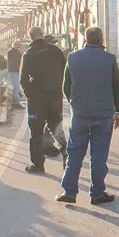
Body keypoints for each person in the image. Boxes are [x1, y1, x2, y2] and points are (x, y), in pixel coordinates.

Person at [56, 27, 119, 205]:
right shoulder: (110, 59)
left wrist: (74, 103)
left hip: (80, 113)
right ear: (102, 40)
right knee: (99, 155)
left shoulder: (73, 57)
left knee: (75, 153)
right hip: (103, 114)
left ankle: (69, 192)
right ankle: (97, 193)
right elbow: (116, 86)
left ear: (85, 39)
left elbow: (65, 87)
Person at [20, 26, 68, 173]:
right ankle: (66, 153)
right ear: (43, 35)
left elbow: (23, 80)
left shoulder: (29, 54)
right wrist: (59, 89)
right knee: (56, 126)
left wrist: (30, 94)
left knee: (35, 131)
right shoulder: (56, 51)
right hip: (55, 96)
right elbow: (65, 72)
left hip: (37, 99)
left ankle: (38, 164)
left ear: (31, 37)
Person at [7, 42, 24, 108]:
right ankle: (16, 102)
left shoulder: (11, 52)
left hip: (13, 71)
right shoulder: (14, 52)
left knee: (15, 87)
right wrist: (20, 50)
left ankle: (15, 101)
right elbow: (21, 58)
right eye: (19, 45)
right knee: (16, 87)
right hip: (14, 71)